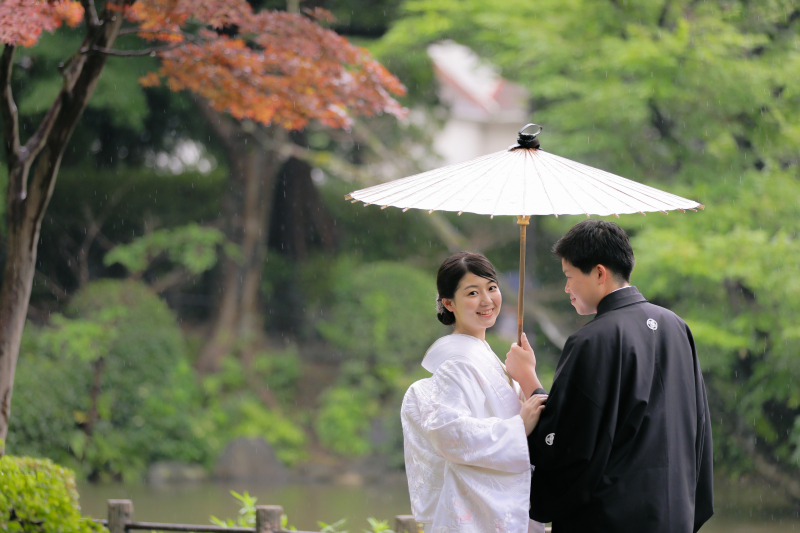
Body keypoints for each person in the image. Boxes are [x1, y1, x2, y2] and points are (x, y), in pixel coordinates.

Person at [506, 219, 714, 533]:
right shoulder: (676, 326)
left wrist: (528, 380)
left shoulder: (593, 340)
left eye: (569, 276)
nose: (566, 288)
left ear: (599, 273)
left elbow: (570, 443)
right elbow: (698, 426)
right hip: (673, 512)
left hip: (611, 519)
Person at [401, 252, 546, 533]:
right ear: (448, 303)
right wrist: (517, 427)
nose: (487, 300)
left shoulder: (490, 358)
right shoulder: (456, 363)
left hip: (499, 503)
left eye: (492, 287)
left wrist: (526, 375)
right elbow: (447, 432)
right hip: (472, 510)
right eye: (472, 292)